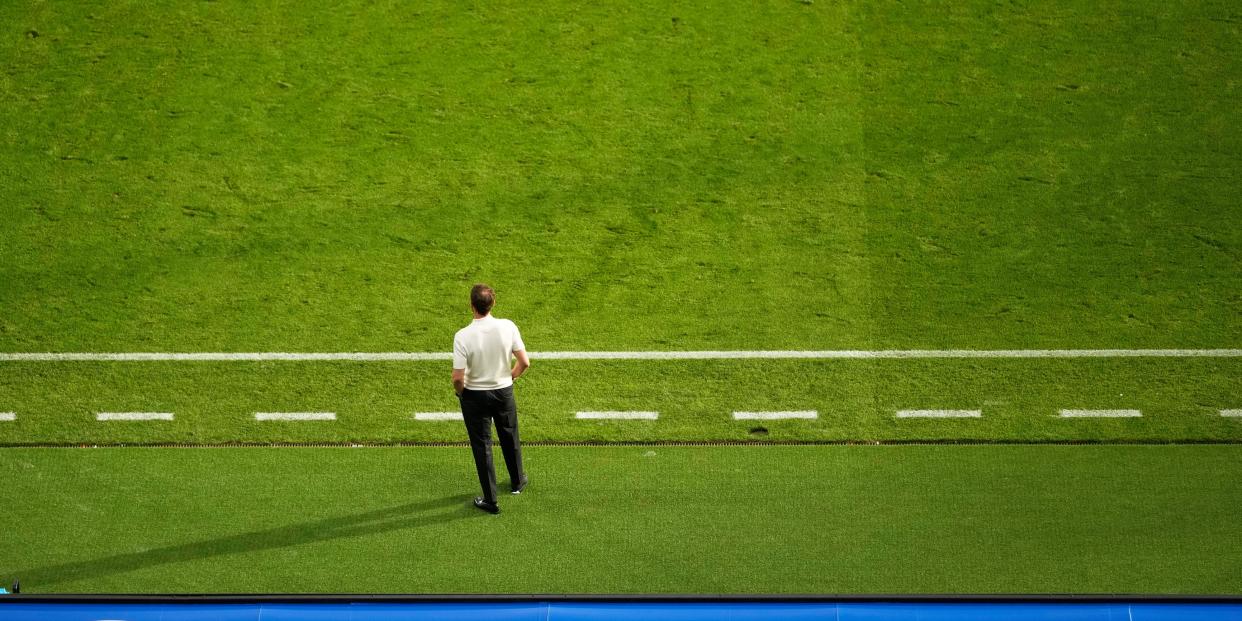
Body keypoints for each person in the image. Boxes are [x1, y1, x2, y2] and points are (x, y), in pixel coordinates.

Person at [452, 284, 530, 514]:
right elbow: (524, 362)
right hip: (503, 391)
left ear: (471, 306)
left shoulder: (463, 336)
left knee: (482, 445)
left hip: (475, 397)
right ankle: (517, 481)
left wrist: (461, 392)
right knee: (509, 433)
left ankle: (491, 500)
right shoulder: (507, 326)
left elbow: (457, 377)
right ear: (492, 303)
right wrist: (511, 378)